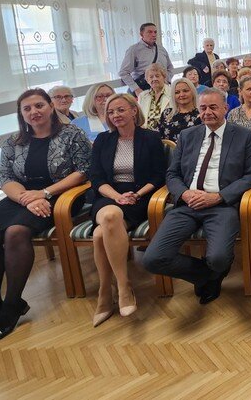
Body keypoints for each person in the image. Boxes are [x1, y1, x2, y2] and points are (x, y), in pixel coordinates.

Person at [0, 89, 91, 346]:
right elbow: (6, 178)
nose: (34, 112)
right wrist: (27, 197)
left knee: (16, 232)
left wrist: (44, 193)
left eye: (39, 106)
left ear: (50, 107)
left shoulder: (72, 134)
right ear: (21, 114)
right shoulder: (13, 142)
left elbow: (82, 171)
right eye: (27, 109)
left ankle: (12, 304)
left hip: (61, 194)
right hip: (21, 197)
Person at [143, 89, 251, 305]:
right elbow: (172, 173)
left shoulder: (244, 136)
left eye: (213, 107)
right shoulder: (188, 136)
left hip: (222, 206)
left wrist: (219, 197)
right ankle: (207, 276)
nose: (207, 112)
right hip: (187, 206)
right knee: (152, 259)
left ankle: (215, 269)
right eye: (203, 108)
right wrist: (185, 193)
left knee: (218, 258)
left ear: (226, 108)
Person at [87, 94, 166, 326]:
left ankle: (104, 293)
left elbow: (159, 175)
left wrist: (137, 195)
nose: (115, 116)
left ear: (133, 111)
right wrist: (116, 196)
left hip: (139, 197)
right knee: (110, 215)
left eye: (120, 110)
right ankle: (123, 287)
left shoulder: (150, 138)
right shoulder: (103, 140)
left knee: (100, 234)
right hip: (108, 196)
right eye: (111, 112)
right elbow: (96, 178)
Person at [119, 23, 174, 95]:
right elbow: (123, 72)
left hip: (162, 89)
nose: (154, 34)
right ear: (141, 34)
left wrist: (167, 80)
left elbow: (170, 67)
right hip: (143, 90)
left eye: (155, 32)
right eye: (150, 32)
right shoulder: (134, 50)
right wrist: (136, 89)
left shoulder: (161, 49)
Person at [156, 78, 202, 142]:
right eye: (177, 92)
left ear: (193, 92)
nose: (182, 95)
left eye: (185, 91)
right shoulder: (166, 113)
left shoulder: (201, 115)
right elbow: (158, 137)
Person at [138, 63, 172, 130]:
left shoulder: (172, 92)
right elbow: (139, 118)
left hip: (166, 131)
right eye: (151, 77)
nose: (154, 79)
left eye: (157, 76)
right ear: (147, 80)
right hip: (146, 133)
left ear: (164, 77)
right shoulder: (142, 96)